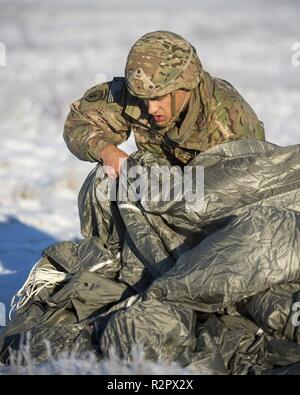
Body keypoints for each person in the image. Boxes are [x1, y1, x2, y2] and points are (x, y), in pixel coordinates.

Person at [64, 31, 265, 177]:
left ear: (185, 85)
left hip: (211, 212)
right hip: (161, 193)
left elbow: (250, 190)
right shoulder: (137, 90)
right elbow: (77, 123)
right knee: (103, 179)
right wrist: (107, 151)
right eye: (144, 99)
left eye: (159, 98)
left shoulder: (227, 118)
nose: (150, 108)